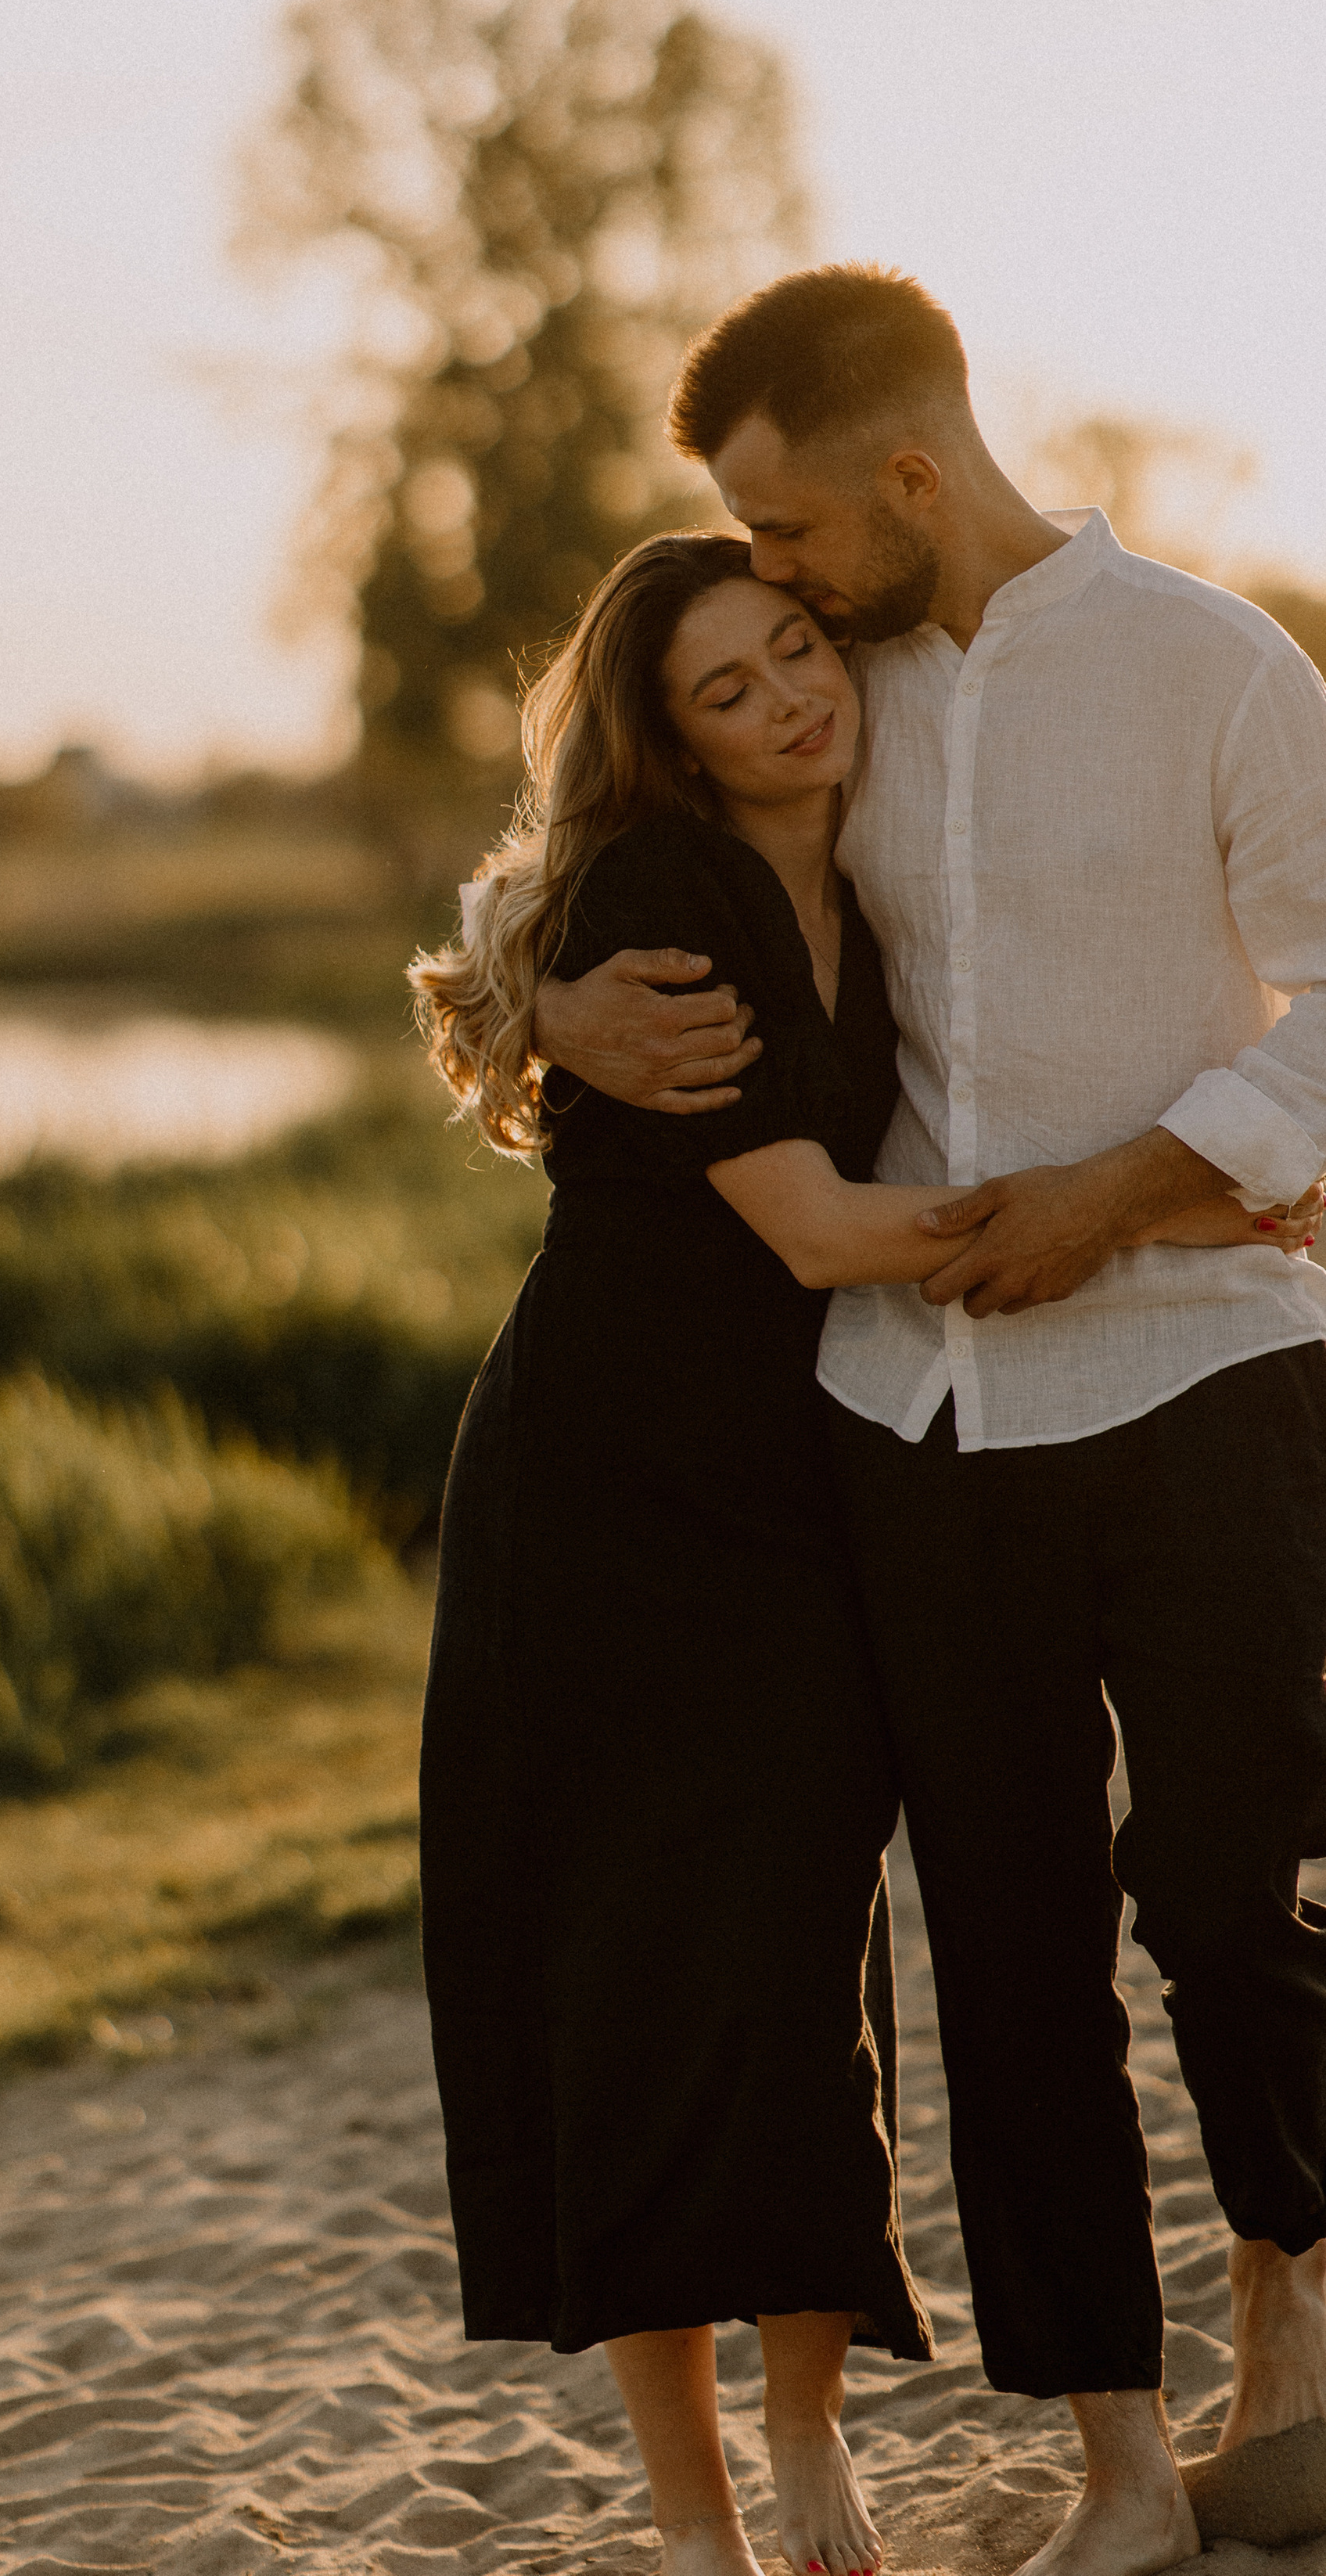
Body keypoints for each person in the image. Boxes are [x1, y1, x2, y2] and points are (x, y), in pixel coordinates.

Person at [535, 264, 1326, 2576]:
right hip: (919, 1409)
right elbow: (573, 854)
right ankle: (1120, 2464)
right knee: (1004, 1942)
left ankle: (1288, 2297)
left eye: (786, 524)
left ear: (906, 473)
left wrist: (1132, 1191)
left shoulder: (1214, 667)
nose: (764, 573)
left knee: (1231, 1890)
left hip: (1204, 1361)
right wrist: (545, 1008)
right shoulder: (823, 692)